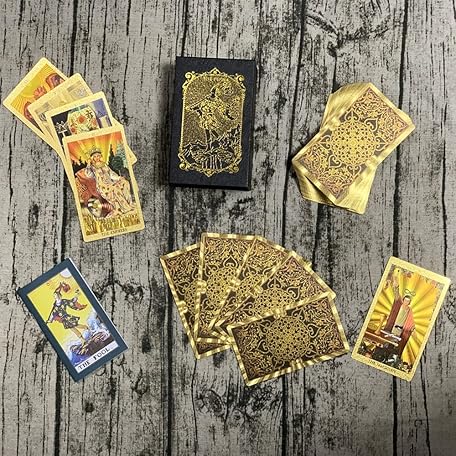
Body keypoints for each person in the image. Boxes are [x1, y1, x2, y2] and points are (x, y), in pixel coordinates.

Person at [76, 148, 135, 217]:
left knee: (125, 182)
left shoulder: (104, 165)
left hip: (111, 183)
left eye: (98, 156)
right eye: (95, 157)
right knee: (115, 189)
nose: (97, 158)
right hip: (103, 187)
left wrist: (119, 178)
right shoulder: (91, 168)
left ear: (100, 156)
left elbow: (111, 174)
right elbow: (88, 174)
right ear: (92, 158)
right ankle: (124, 208)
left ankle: (128, 203)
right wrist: (88, 164)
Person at [383, 274, 415, 357]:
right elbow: (396, 294)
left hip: (399, 331)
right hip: (391, 326)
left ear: (409, 303)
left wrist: (412, 328)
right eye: (405, 300)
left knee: (393, 344)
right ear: (403, 300)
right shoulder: (398, 303)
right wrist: (396, 285)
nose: (406, 302)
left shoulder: (409, 310)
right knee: (385, 342)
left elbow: (410, 322)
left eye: (408, 301)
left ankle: (389, 357)